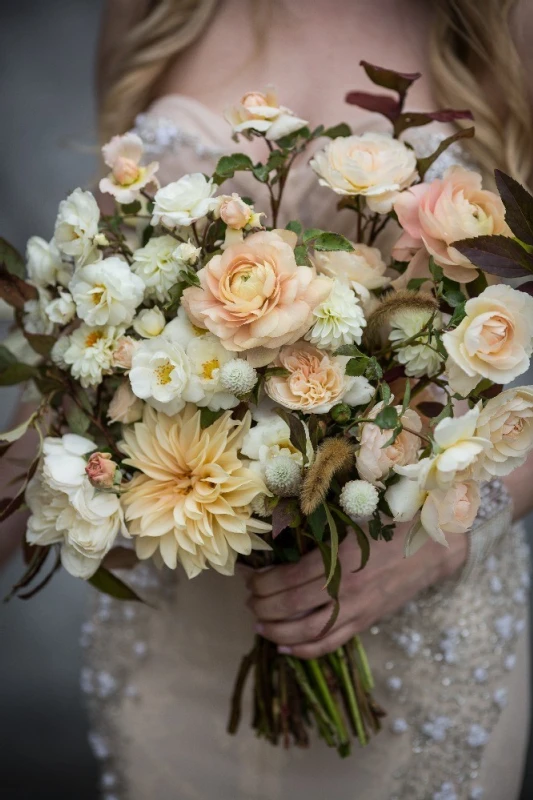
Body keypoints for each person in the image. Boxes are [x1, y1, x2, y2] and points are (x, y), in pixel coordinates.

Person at [8, 1, 533, 798]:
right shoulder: (156, 13)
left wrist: (445, 537)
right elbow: (95, 333)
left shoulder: (507, 24)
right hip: (181, 631)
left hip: (420, 646)